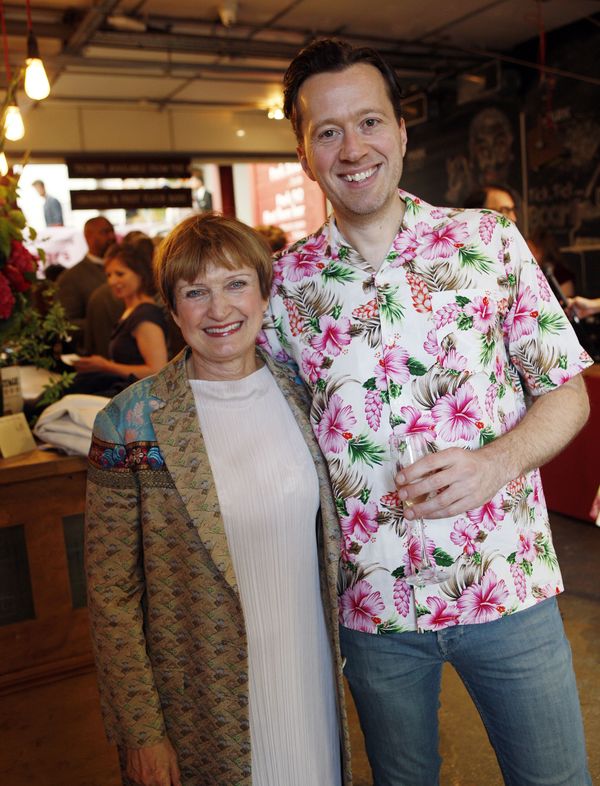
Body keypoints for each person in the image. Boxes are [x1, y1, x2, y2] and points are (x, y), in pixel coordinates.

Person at [261, 38, 593, 785]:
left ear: (403, 133)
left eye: (370, 121)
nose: (353, 148)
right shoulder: (284, 289)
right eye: (327, 131)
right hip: (374, 612)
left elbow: (567, 390)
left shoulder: (487, 244)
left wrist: (496, 462)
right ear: (304, 151)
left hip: (507, 590)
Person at [85, 213, 352, 786]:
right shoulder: (129, 424)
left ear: (263, 291)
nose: (220, 309)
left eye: (235, 284)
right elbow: (111, 593)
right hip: (200, 706)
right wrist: (142, 733)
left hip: (311, 687)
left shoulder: (308, 397)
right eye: (195, 292)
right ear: (173, 308)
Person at [72, 242, 168, 396]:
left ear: (140, 274)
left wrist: (105, 365)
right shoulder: (131, 310)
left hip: (134, 400)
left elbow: (156, 370)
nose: (112, 281)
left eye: (120, 274)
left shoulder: (145, 315)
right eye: (109, 275)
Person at [56, 216, 116, 351]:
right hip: (97, 353)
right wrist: (104, 323)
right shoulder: (71, 277)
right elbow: (66, 324)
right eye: (105, 232)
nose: (112, 237)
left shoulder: (129, 271)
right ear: (88, 236)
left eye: (112, 231)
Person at [526, 227, 575, 298]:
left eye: (530, 250)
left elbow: (566, 302)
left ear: (541, 252)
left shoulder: (562, 275)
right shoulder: (530, 274)